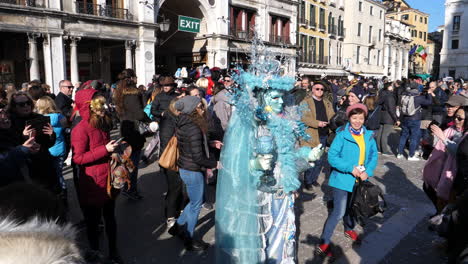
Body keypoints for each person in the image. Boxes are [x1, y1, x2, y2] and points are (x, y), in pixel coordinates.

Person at [215, 51, 323, 262]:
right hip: (259, 196)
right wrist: (255, 164)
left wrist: (308, 157)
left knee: (282, 240)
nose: (281, 103)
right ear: (262, 98)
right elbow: (234, 166)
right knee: (259, 241)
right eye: (275, 98)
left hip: (283, 196)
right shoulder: (250, 127)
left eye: (282, 97)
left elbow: (289, 160)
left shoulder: (286, 125)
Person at [317, 103, 378, 258]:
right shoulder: (342, 135)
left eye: (361, 118)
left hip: (359, 181)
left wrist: (367, 172)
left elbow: (372, 156)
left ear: (365, 119)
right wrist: (350, 168)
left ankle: (349, 228)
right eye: (354, 117)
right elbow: (332, 156)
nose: (357, 121)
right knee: (339, 212)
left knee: (352, 207)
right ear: (349, 118)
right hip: (342, 180)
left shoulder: (369, 136)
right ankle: (324, 242)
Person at [71, 88, 122, 263]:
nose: (105, 107)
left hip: (108, 177)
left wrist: (113, 148)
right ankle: (96, 255)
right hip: (92, 183)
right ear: (89, 107)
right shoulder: (80, 129)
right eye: (100, 103)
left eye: (104, 102)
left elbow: (103, 146)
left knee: (110, 218)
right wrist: (104, 150)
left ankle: (114, 252)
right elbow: (78, 158)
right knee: (93, 223)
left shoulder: (102, 122)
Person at [168, 96, 218, 251]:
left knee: (194, 201)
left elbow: (191, 146)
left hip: (185, 167)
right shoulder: (194, 127)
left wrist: (210, 143)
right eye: (200, 107)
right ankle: (189, 238)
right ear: (194, 109)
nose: (203, 109)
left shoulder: (184, 123)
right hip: (193, 170)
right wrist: (215, 163)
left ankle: (177, 227)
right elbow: (198, 157)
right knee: (196, 204)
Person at [8, 92, 59, 194]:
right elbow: (10, 147)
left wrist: (51, 134)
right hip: (26, 167)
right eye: (21, 104)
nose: (26, 106)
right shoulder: (10, 122)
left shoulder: (39, 117)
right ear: (14, 107)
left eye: (28, 103)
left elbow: (49, 143)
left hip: (44, 162)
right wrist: (23, 137)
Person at [423, 106, 467, 214]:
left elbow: (459, 153)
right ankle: (439, 213)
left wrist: (442, 137)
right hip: (441, 167)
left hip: (455, 174)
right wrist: (432, 136)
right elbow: (438, 144)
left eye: (459, 118)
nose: (456, 120)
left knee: (449, 199)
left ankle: (443, 218)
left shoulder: (466, 135)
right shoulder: (450, 129)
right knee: (428, 187)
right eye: (455, 117)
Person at [113, 69, 147, 201]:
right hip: (134, 131)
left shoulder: (118, 92)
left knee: (128, 161)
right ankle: (130, 189)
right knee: (132, 163)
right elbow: (139, 114)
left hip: (125, 129)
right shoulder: (132, 94)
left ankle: (128, 187)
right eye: (135, 76)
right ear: (132, 78)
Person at [301, 82, 335, 190]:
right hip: (311, 135)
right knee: (311, 159)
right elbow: (303, 118)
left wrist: (332, 122)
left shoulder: (327, 102)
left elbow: (332, 115)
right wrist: (317, 123)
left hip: (323, 134)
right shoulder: (305, 102)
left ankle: (314, 179)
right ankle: (307, 181)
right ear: (312, 90)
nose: (319, 91)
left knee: (320, 160)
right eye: (317, 89)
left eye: (322, 89)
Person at [36, 96, 68, 196]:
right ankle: (63, 195)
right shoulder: (60, 117)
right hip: (60, 149)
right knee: (59, 174)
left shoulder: (39, 120)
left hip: (46, 151)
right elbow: (65, 129)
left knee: (50, 176)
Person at [397, 85, 432, 161]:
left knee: (403, 136)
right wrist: (429, 94)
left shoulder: (405, 97)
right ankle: (411, 155)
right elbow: (429, 102)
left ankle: (399, 153)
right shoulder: (418, 98)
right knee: (414, 137)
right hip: (415, 119)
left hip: (405, 118)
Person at [376, 83, 399, 155]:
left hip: (382, 115)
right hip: (388, 117)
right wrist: (396, 119)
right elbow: (391, 109)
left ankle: (379, 148)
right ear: (389, 87)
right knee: (385, 134)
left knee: (380, 132)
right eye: (391, 86)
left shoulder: (382, 94)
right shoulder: (390, 96)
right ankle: (385, 150)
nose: (393, 87)